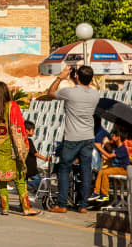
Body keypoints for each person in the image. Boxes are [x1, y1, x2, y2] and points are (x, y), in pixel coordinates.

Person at [42, 64, 100, 213]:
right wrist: (79, 77)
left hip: (72, 137)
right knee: (85, 170)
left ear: (76, 76)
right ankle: (83, 206)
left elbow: (51, 93)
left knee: (64, 169)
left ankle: (62, 204)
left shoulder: (69, 92)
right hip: (88, 137)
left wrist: (60, 77)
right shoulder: (95, 94)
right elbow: (90, 85)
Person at [0, 81, 40, 216]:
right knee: (20, 177)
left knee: (1, 177)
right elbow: (19, 126)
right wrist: (23, 144)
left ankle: (5, 208)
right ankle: (26, 208)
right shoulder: (12, 106)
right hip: (12, 147)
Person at [89, 130, 130, 203]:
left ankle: (105, 194)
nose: (112, 137)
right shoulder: (116, 147)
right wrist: (102, 154)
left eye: (114, 136)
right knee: (101, 172)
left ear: (118, 138)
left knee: (105, 173)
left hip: (123, 169)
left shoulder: (122, 149)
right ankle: (96, 192)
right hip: (117, 168)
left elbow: (109, 155)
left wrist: (99, 147)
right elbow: (109, 157)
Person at [24, 120, 49, 201]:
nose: (33, 132)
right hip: (31, 166)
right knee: (39, 180)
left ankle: (25, 192)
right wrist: (45, 158)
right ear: (27, 131)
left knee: (24, 179)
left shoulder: (21, 140)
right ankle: (27, 185)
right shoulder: (28, 141)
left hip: (24, 165)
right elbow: (34, 153)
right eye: (32, 130)